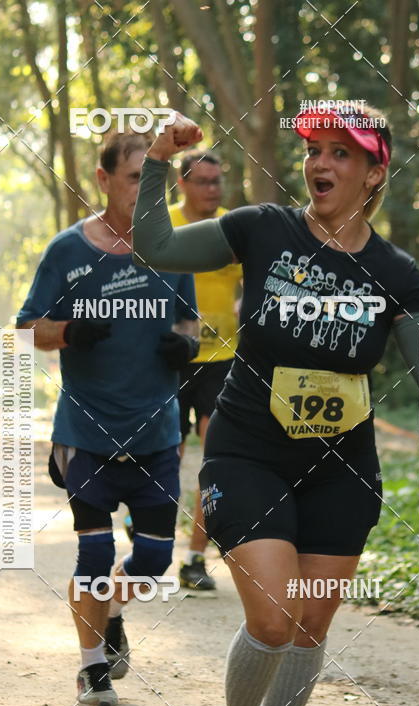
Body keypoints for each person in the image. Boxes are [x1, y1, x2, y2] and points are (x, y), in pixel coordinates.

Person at [132, 105, 419, 706]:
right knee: (271, 619)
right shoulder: (262, 228)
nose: (320, 164)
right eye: (315, 150)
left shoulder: (396, 270)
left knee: (308, 624)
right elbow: (156, 246)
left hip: (342, 467)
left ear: (374, 172)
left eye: (341, 153)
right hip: (247, 449)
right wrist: (155, 162)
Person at [17, 131, 198, 706]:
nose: (147, 190)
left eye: (156, 180)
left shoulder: (173, 248)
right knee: (93, 556)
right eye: (133, 178)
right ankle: (92, 668)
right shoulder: (68, 251)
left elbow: (191, 325)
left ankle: (113, 612)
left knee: (151, 561)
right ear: (103, 180)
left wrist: (186, 348)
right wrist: (68, 331)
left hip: (156, 434)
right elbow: (25, 329)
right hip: (86, 432)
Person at [169, 151, 242, 592]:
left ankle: (195, 559)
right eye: (204, 182)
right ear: (182, 183)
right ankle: (148, 527)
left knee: (214, 463)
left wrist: (245, 309)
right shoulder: (164, 224)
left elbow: (258, 281)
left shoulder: (236, 227)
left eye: (218, 181)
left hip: (223, 361)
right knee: (167, 457)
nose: (213, 190)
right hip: (171, 359)